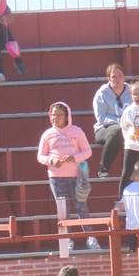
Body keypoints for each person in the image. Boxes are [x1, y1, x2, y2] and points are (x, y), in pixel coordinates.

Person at [37, 101, 97, 250]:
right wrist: (51, 160)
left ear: (67, 116)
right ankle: (67, 241)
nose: (55, 117)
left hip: (77, 176)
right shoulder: (47, 134)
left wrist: (74, 158)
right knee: (63, 209)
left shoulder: (76, 131)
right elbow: (40, 156)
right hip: (56, 177)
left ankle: (91, 238)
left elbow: (87, 152)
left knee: (81, 206)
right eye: (53, 115)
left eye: (59, 115)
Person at [91, 63, 132, 178]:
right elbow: (101, 118)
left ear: (124, 77)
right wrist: (121, 122)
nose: (117, 79)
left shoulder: (131, 91)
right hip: (104, 128)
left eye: (120, 75)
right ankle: (103, 168)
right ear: (108, 78)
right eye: (113, 76)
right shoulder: (101, 93)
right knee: (117, 130)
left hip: (129, 127)